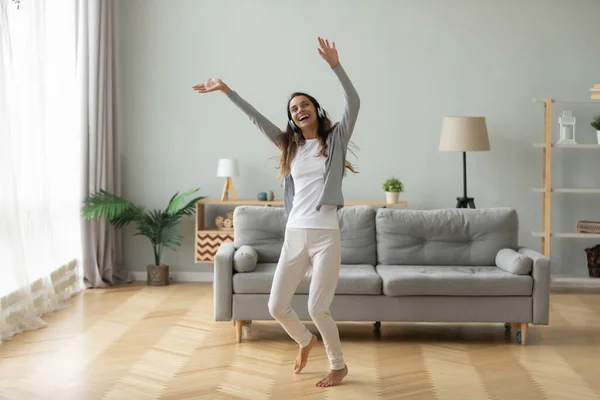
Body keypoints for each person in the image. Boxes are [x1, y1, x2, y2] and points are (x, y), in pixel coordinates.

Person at [192, 37, 359, 388]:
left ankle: (338, 365)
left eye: (304, 105)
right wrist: (225, 90)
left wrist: (335, 65)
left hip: (326, 235)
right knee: (276, 306)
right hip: (295, 234)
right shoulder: (289, 146)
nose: (299, 110)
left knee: (318, 309)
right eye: (293, 109)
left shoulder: (336, 140)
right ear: (293, 120)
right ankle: (304, 341)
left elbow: (354, 102)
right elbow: (256, 119)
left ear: (316, 109)